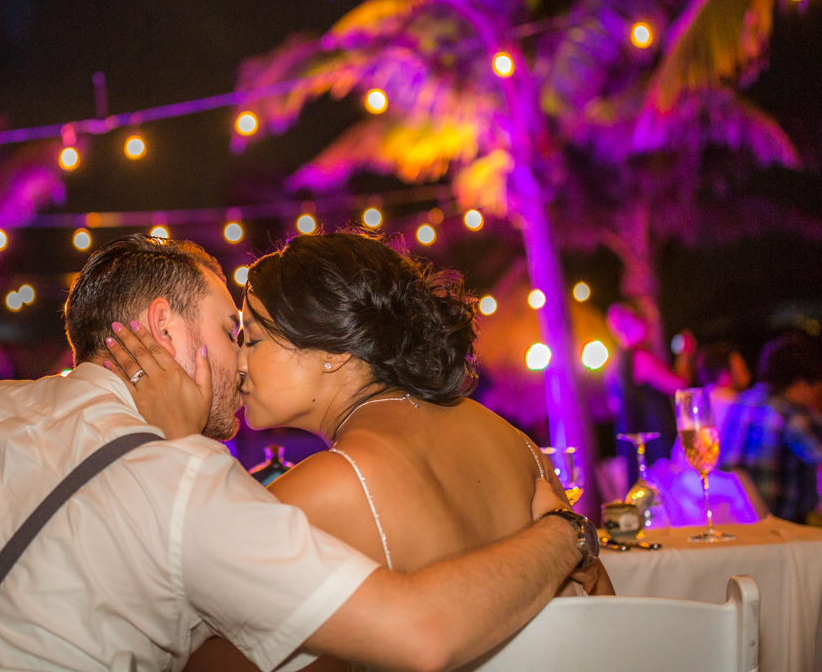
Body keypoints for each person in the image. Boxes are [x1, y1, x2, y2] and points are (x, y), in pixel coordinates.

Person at [0, 235, 599, 672]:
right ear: (163, 333)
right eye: (235, 330)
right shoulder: (184, 480)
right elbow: (418, 632)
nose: (242, 356)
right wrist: (568, 533)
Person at [105, 232, 609, 672]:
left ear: (332, 351)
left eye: (252, 339)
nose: (236, 362)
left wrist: (173, 446)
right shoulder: (516, 442)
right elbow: (608, 612)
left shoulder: (332, 485)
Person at [719, 331, 822, 524]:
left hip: (739, 520)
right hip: (781, 527)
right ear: (801, 382)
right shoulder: (788, 413)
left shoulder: (740, 402)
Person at [605, 303, 687, 485]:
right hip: (654, 440)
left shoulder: (615, 362)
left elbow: (613, 404)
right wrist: (686, 355)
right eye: (645, 322)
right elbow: (679, 385)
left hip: (632, 440)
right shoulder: (640, 357)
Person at [694, 341, 752, 431]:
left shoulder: (696, 405)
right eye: (743, 368)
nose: (749, 373)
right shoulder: (738, 404)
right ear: (723, 374)